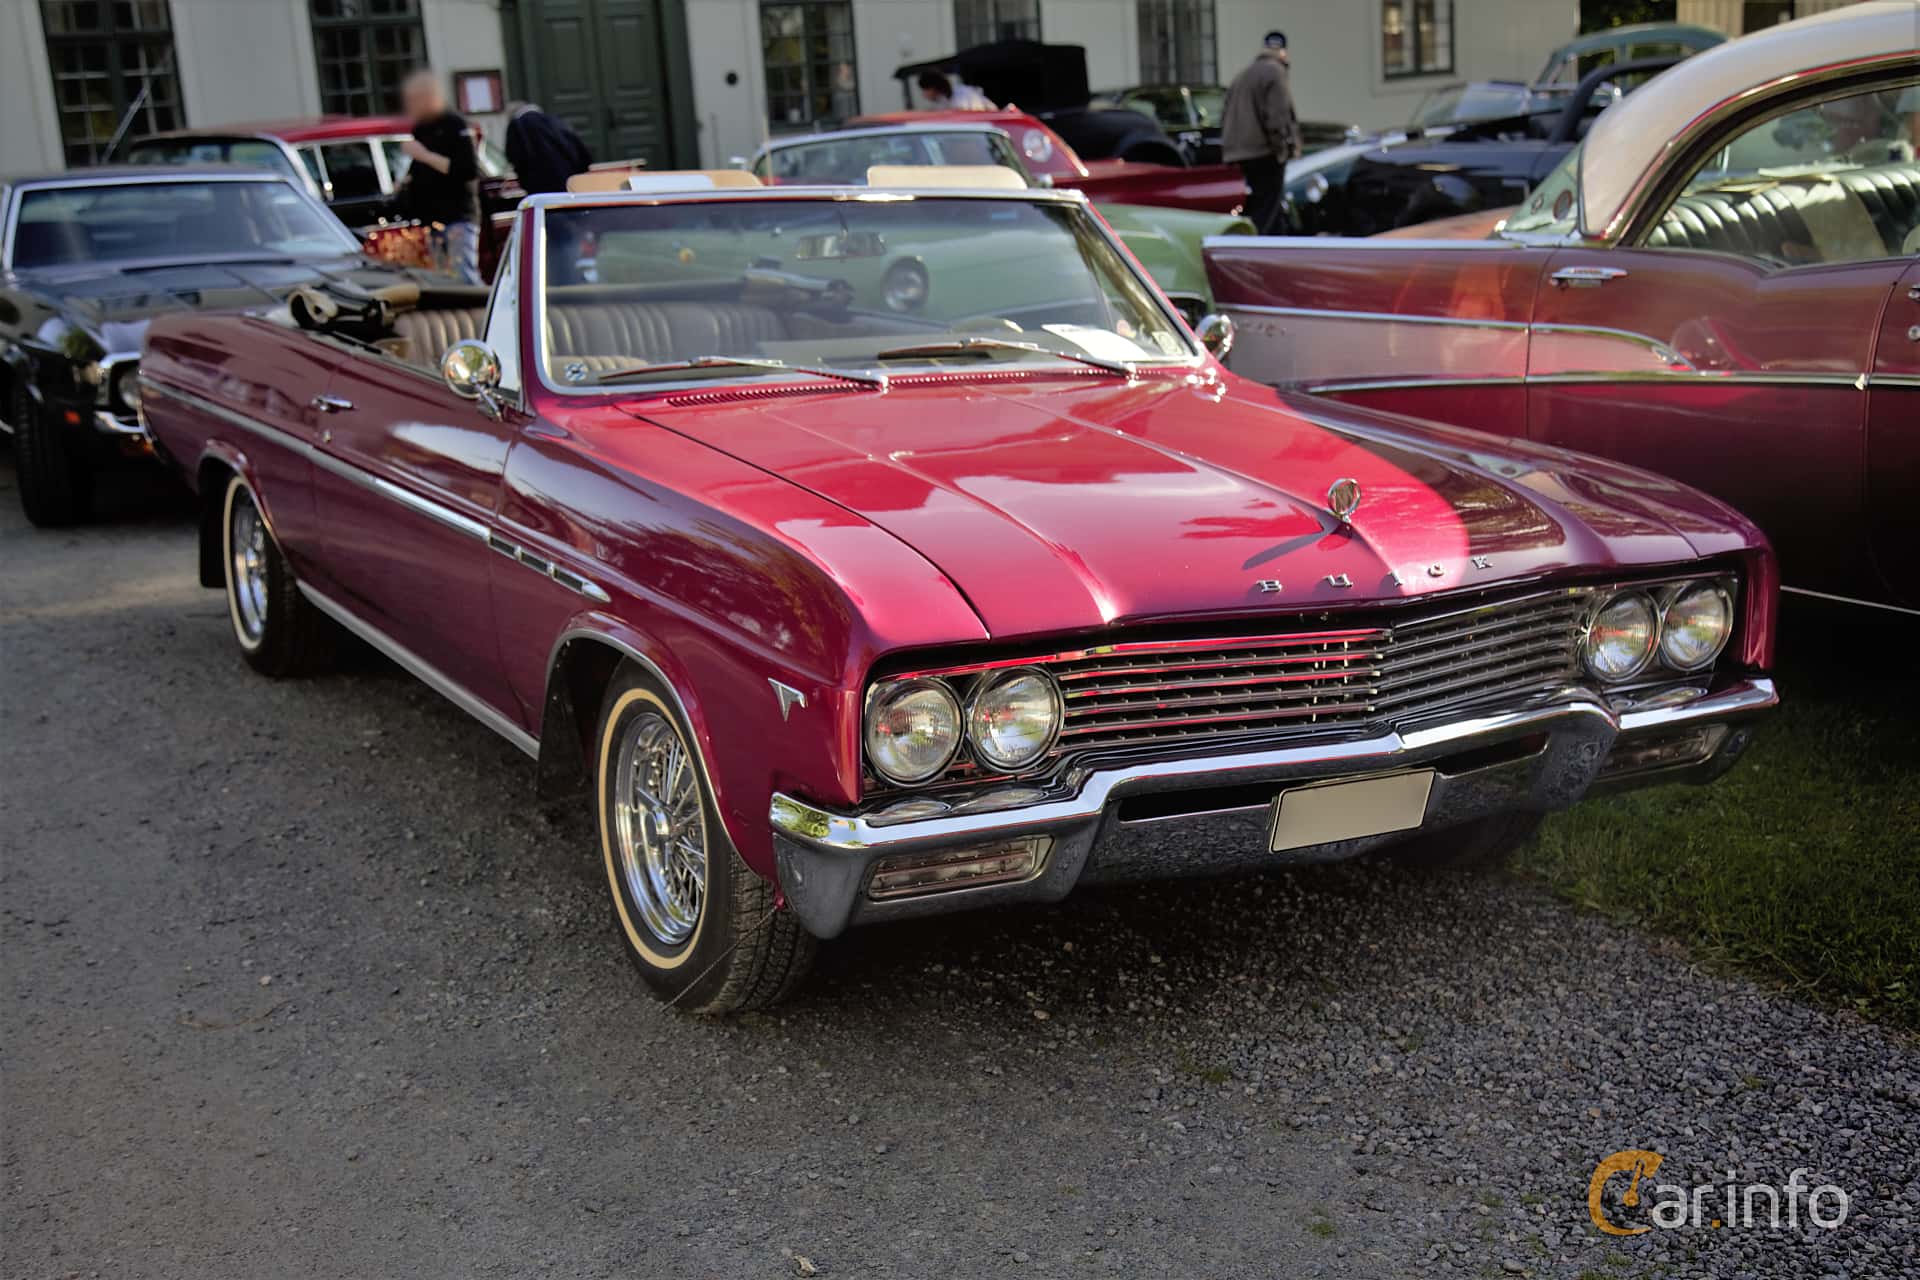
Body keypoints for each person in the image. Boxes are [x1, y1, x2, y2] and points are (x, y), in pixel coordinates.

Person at [397, 69, 482, 284]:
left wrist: (424, 155)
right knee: (441, 279)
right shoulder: (421, 128)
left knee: (463, 275)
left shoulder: (456, 125)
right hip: (431, 218)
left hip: (458, 217)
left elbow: (467, 171)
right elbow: (420, 168)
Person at [1220, 31, 1300, 235]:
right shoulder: (1275, 73)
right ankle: (1256, 247)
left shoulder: (1243, 75)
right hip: (1263, 152)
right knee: (1268, 208)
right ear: (1283, 53)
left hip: (1240, 153)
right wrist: (1282, 149)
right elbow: (1277, 118)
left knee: (1261, 206)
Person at [504, 101, 593, 196]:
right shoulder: (555, 121)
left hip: (540, 186)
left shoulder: (517, 125)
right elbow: (582, 153)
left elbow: (514, 157)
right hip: (569, 182)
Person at [918, 70, 995, 112]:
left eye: (925, 90)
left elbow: (972, 114)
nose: (923, 95)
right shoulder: (942, 101)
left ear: (933, 88)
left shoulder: (963, 93)